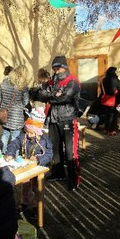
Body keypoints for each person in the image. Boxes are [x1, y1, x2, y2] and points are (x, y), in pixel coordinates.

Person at [37, 55, 81, 191]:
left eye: (58, 67)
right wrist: (52, 95)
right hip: (53, 119)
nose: (56, 69)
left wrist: (50, 96)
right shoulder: (52, 81)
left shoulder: (72, 81)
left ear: (64, 66)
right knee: (54, 149)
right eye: (54, 67)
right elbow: (40, 94)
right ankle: (58, 173)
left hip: (67, 118)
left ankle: (74, 180)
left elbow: (65, 98)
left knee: (70, 152)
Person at [5, 107, 53, 218]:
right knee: (25, 186)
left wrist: (39, 159)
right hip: (26, 167)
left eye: (31, 133)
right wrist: (11, 153)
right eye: (27, 132)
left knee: (37, 189)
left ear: (38, 132)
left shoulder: (45, 141)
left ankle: (37, 207)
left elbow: (49, 154)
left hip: (38, 169)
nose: (28, 135)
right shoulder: (23, 136)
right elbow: (14, 144)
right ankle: (24, 203)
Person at [0, 65, 30, 154]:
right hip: (16, 115)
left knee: (5, 134)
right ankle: (14, 156)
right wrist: (19, 107)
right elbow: (26, 101)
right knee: (15, 137)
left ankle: (3, 152)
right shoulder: (23, 86)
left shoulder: (4, 82)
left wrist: (2, 107)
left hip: (5, 114)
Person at [100, 67, 120, 136]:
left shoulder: (103, 80)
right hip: (114, 100)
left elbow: (102, 90)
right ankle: (111, 130)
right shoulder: (116, 80)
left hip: (105, 99)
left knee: (107, 114)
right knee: (112, 115)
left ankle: (106, 128)